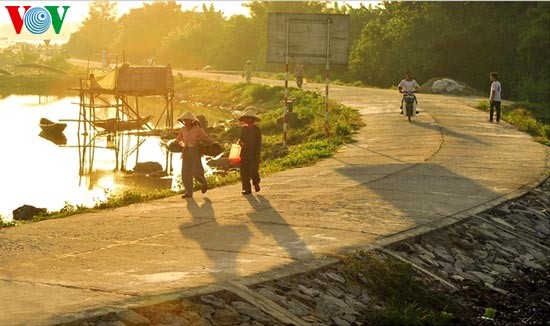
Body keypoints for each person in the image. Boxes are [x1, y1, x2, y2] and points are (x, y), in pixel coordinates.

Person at [175, 111, 215, 198]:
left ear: (192, 121)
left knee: (197, 170)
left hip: (194, 151)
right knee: (185, 172)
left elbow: (205, 138)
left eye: (188, 120)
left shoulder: (198, 129)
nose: (186, 121)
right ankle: (188, 192)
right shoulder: (183, 129)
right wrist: (174, 143)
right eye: (185, 120)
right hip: (186, 151)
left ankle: (203, 182)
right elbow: (179, 138)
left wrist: (214, 143)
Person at [238, 108, 262, 195]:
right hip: (244, 153)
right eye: (246, 118)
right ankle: (247, 189)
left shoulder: (257, 130)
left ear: (253, 119)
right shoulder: (244, 129)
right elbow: (240, 139)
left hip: (253, 153)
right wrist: (241, 143)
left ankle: (256, 183)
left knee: (253, 170)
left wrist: (257, 153)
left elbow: (259, 142)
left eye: (249, 118)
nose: (247, 120)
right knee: (244, 171)